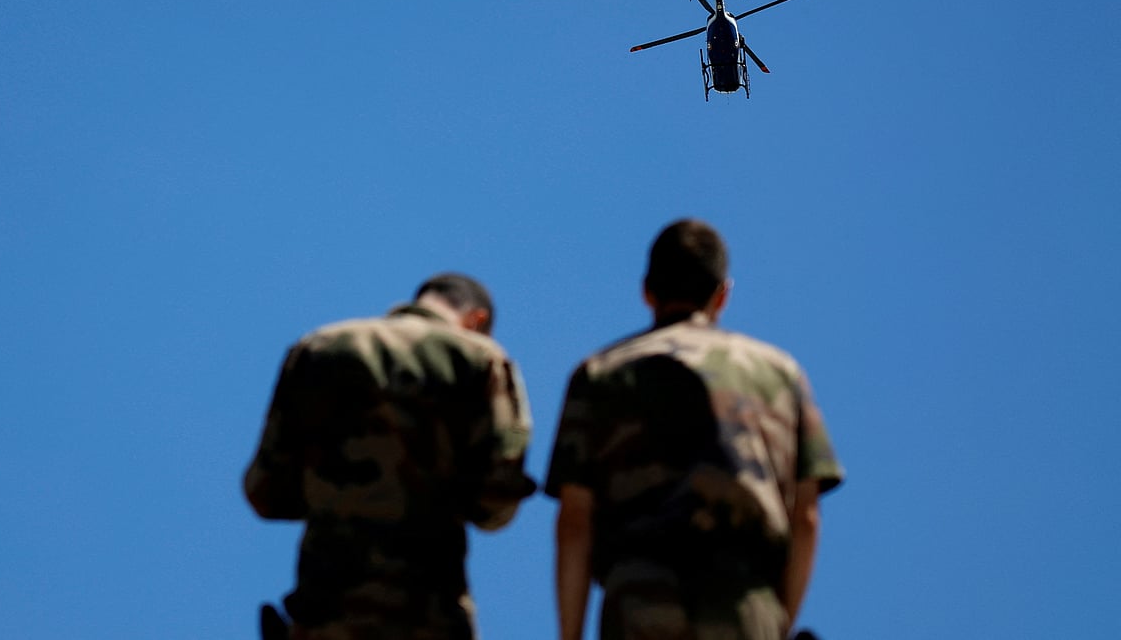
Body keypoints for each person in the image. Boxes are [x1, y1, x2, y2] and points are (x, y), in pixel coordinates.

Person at [545, 219, 844, 640]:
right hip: (743, 598)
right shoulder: (779, 373)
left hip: (638, 601)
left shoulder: (599, 374)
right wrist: (778, 623)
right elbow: (806, 517)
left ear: (647, 291)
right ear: (722, 295)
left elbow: (575, 521)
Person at [245, 273, 536, 640]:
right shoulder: (480, 357)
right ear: (477, 320)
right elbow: (497, 500)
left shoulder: (318, 347)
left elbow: (264, 491)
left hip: (327, 607)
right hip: (426, 610)